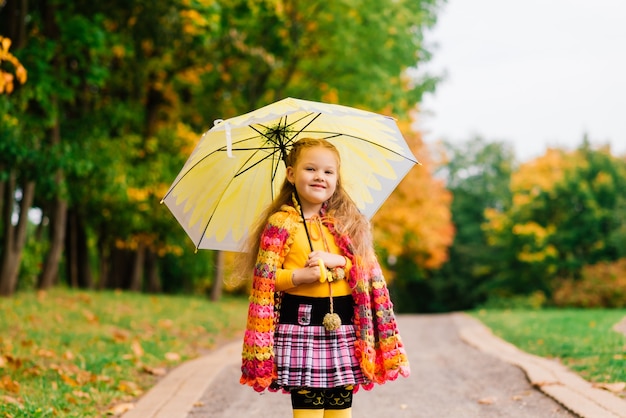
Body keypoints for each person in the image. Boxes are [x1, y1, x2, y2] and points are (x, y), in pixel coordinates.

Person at [239, 137, 410, 418]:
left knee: (340, 408)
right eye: (310, 169)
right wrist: (299, 276)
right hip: (301, 327)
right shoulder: (281, 225)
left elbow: (365, 269)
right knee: (309, 408)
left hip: (343, 328)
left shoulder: (345, 224)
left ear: (336, 178)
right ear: (291, 174)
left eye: (328, 172)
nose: (320, 177)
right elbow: (266, 279)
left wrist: (340, 260)